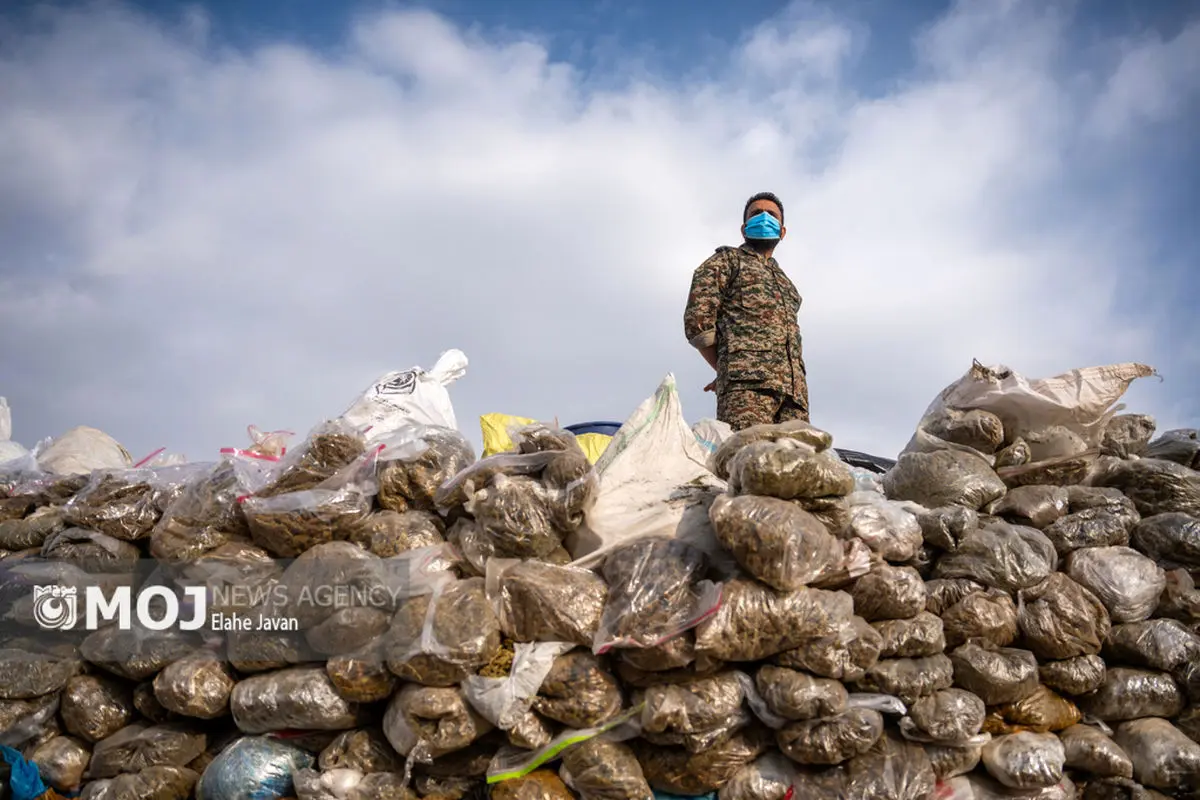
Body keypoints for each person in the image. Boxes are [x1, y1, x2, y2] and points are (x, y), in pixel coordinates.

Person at [683, 191, 809, 431]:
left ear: (782, 232)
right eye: (756, 213)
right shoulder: (727, 261)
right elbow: (698, 322)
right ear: (744, 228)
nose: (764, 218)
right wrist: (727, 369)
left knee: (798, 464)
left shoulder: (787, 285)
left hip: (794, 397)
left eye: (771, 215)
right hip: (747, 391)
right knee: (748, 461)